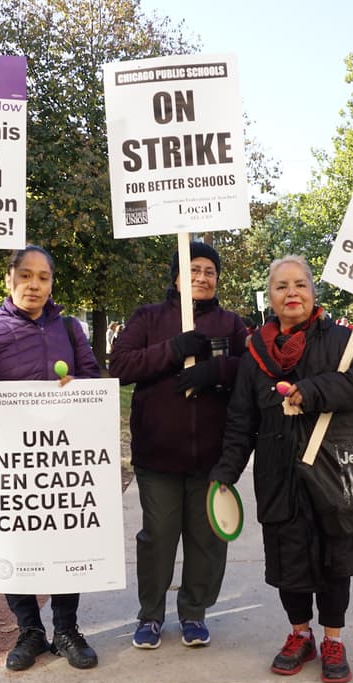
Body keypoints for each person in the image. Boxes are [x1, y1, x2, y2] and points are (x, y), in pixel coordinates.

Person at [209, 255, 353, 683]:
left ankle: (333, 638)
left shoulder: (341, 339)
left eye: (300, 285)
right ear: (271, 296)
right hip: (278, 472)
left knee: (334, 557)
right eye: (282, 286)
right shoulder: (255, 351)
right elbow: (241, 419)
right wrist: (226, 472)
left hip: (332, 469)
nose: (292, 294)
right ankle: (299, 633)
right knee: (289, 558)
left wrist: (311, 390)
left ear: (312, 292)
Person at [0, 245, 102, 672]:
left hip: (59, 459)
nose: (34, 285)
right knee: (14, 538)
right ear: (9, 278)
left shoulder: (70, 328)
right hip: (4, 463)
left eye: (43, 277)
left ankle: (67, 629)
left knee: (66, 537)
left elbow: (92, 380)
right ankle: (30, 630)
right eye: (26, 276)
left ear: (52, 283)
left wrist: (78, 388)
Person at [109, 242, 247, 650]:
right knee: (159, 537)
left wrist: (215, 371)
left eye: (209, 271)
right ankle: (151, 616)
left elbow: (252, 369)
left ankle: (194, 613)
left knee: (207, 539)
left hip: (212, 457)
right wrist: (172, 350)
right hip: (158, 455)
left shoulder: (230, 323)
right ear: (175, 276)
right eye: (194, 270)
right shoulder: (148, 317)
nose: (202, 277)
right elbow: (120, 366)